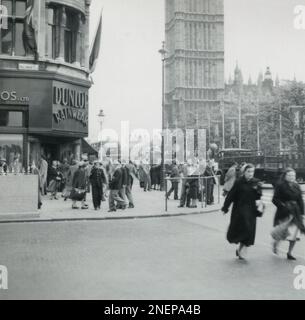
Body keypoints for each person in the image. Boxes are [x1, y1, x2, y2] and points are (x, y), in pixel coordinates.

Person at [221, 164, 263, 260]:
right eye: (248, 172)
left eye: (252, 172)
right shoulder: (239, 182)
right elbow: (231, 195)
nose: (250, 174)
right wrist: (225, 207)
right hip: (239, 211)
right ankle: (240, 249)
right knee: (242, 231)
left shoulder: (256, 183)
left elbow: (259, 198)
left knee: (249, 232)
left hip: (251, 211)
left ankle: (240, 249)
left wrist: (259, 195)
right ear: (244, 172)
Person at [271, 168, 305, 260]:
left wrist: (302, 213)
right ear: (285, 176)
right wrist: (283, 206)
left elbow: (300, 200)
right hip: (284, 212)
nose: (292, 177)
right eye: (289, 175)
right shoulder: (280, 185)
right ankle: (276, 243)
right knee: (283, 232)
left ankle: (289, 253)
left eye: (293, 175)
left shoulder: (297, 186)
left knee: (294, 234)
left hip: (295, 212)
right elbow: (274, 199)